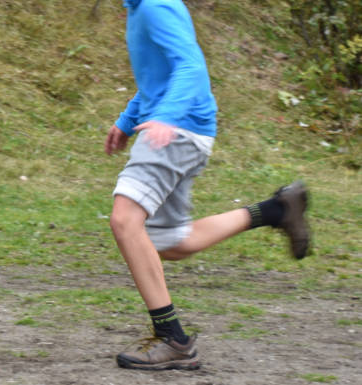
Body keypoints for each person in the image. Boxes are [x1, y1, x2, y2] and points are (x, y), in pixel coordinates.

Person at [104, 0, 311, 370]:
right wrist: (126, 119)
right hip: (183, 127)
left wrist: (166, 116)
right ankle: (277, 209)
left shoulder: (154, 5)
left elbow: (191, 67)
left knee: (124, 220)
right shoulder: (140, 9)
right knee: (169, 242)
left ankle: (174, 339)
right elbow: (160, 80)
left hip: (176, 131)